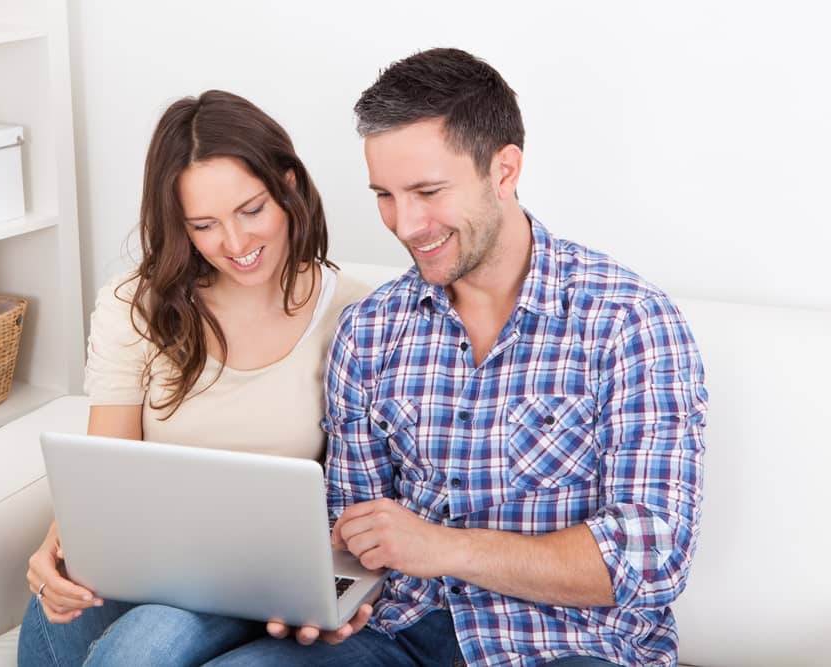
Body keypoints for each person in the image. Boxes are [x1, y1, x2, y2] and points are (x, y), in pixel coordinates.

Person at [203, 49, 708, 667]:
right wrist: (329, 597)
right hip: (398, 637)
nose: (405, 223)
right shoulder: (369, 331)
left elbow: (651, 557)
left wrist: (443, 547)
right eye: (385, 195)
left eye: (427, 191)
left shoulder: (627, 321)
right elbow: (348, 528)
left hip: (568, 646)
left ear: (504, 171)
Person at [16, 90, 373, 666]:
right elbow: (104, 471)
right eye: (204, 225)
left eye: (252, 210)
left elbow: (361, 495)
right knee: (91, 618)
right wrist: (56, 548)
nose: (235, 245)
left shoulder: (356, 316)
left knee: (150, 643)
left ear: (289, 186)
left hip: (256, 580)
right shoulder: (135, 305)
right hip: (135, 566)